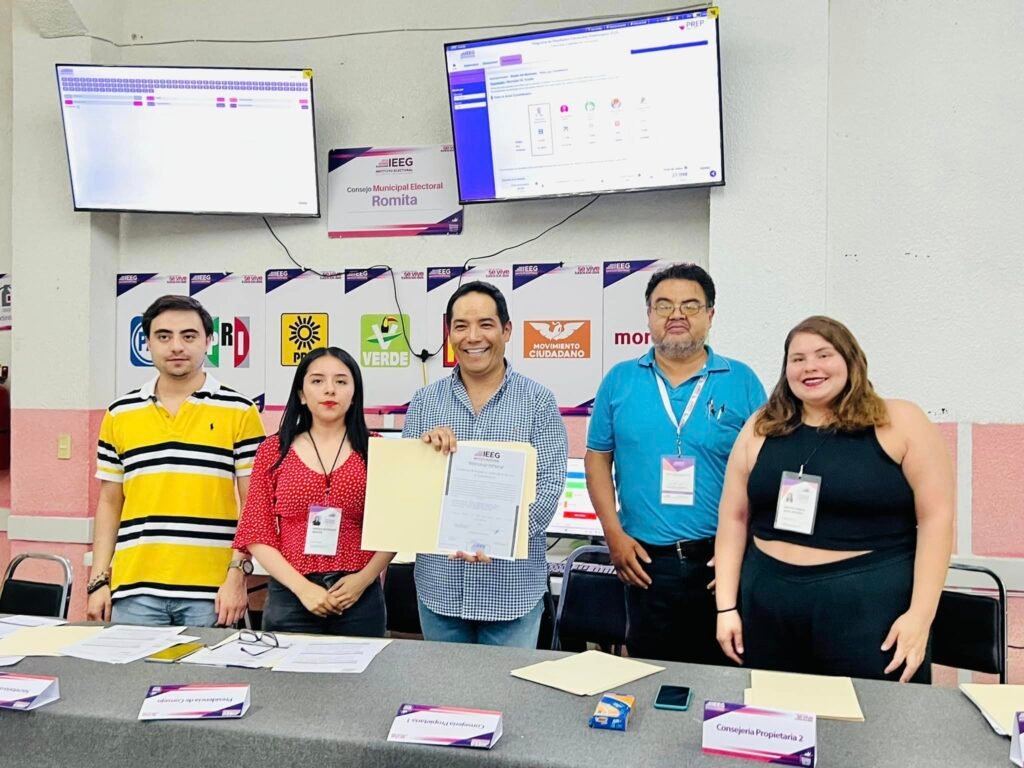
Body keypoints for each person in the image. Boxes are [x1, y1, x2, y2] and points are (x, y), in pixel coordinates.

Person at [715, 316, 954, 683]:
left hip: (869, 609)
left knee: (872, 729)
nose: (810, 367)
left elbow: (937, 518)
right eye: (798, 359)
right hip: (768, 606)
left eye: (823, 354)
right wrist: (726, 607)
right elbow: (733, 518)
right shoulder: (762, 425)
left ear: (850, 360)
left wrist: (920, 616)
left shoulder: (900, 420)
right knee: (775, 724)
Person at [585, 263, 766, 664]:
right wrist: (612, 533)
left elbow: (766, 469)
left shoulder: (742, 381)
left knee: (725, 677)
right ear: (649, 316)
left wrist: (747, 547)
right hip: (645, 564)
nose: (676, 315)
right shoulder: (620, 379)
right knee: (653, 678)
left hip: (721, 562)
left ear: (710, 315)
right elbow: (597, 458)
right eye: (663, 306)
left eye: (690, 305)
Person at [403, 281, 568, 648]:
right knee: (442, 701)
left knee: (505, 701)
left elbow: (549, 486)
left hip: (511, 592)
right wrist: (423, 455)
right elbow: (408, 490)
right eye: (460, 326)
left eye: (486, 324)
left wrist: (498, 538)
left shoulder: (538, 402)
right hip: (440, 588)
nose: (472, 336)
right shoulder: (425, 403)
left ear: (506, 330)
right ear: (449, 334)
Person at [88, 295, 265, 627]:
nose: (176, 346)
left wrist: (237, 574)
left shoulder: (240, 410)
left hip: (211, 593)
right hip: (134, 590)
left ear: (208, 341)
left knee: (207, 680)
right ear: (147, 342)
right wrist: (99, 581)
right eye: (164, 336)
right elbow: (110, 503)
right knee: (129, 680)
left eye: (189, 335)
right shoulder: (119, 413)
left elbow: (253, 503)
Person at [233, 347, 393, 636]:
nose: (329, 389)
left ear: (354, 393)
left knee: (361, 681)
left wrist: (363, 580)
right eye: (317, 381)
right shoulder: (274, 450)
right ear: (302, 394)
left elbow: (394, 528)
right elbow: (257, 531)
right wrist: (303, 588)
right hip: (292, 595)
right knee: (290, 681)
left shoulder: (377, 449)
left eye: (341, 381)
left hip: (357, 596)